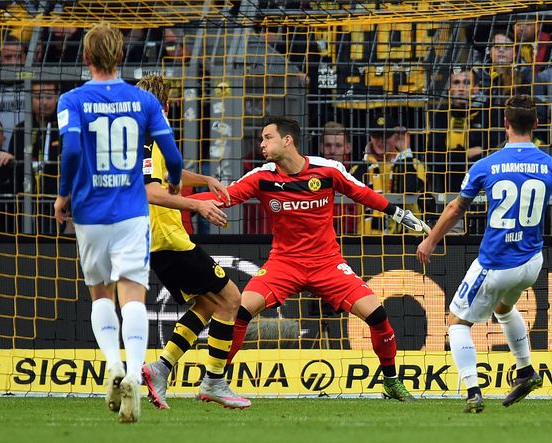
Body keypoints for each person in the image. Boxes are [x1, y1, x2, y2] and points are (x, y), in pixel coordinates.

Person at [416, 95, 552, 413]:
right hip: (532, 262)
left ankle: (473, 390)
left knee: (457, 323)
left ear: (505, 125)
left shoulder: (485, 165)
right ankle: (527, 370)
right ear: (536, 125)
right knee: (504, 307)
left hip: (495, 263)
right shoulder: (551, 165)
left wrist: (430, 241)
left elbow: (455, 207)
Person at [192, 116, 430, 401]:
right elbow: (226, 196)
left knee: (378, 316)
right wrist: (183, 201)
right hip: (283, 264)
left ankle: (391, 381)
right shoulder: (262, 176)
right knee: (241, 311)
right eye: (262, 139)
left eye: (268, 138)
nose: (262, 144)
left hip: (327, 263)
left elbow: (362, 193)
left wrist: (399, 214)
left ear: (287, 140)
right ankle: (215, 381)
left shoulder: (327, 170)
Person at [53, 22, 184, 424]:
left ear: (87, 57)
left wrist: (63, 195)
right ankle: (133, 373)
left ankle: (112, 364)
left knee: (101, 295)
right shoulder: (142, 101)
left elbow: (72, 149)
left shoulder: (71, 100)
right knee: (133, 296)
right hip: (131, 213)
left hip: (90, 213)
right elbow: (173, 158)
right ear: (121, 56)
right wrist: (176, 180)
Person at [135, 73, 251, 410]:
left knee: (208, 304)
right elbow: (149, 190)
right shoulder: (150, 136)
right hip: (168, 240)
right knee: (231, 298)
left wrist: (203, 179)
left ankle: (160, 369)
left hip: (158, 240)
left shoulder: (141, 135)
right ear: (167, 105)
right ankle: (214, 381)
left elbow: (166, 175)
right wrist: (197, 203)